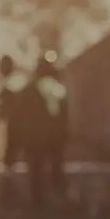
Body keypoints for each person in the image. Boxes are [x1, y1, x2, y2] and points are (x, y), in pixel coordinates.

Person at [24, 49, 70, 206]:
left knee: (36, 171)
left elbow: (25, 118)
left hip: (36, 139)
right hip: (55, 139)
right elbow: (64, 118)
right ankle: (60, 197)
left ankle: (39, 203)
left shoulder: (29, 90)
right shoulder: (59, 89)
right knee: (57, 167)